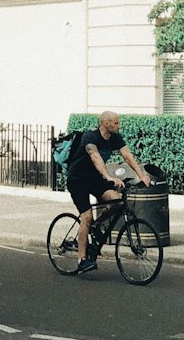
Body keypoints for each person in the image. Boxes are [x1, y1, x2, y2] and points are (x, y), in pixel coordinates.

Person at [65, 110, 152, 273]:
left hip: (94, 178)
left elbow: (127, 156)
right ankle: (82, 260)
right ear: (106, 123)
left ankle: (96, 226)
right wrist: (108, 176)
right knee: (86, 216)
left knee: (117, 201)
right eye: (116, 123)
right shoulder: (90, 137)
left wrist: (142, 176)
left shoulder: (115, 138)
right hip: (78, 179)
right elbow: (95, 156)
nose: (119, 125)